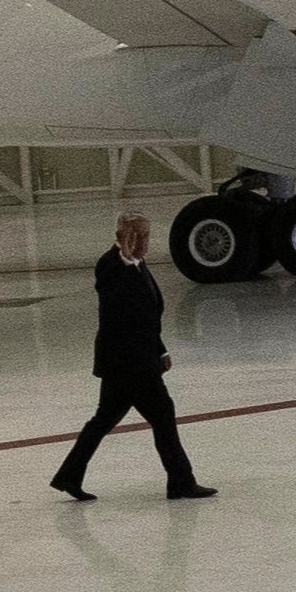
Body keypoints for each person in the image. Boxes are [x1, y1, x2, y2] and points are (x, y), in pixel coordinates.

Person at [50, 215, 216, 501]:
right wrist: (124, 262)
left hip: (132, 360)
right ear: (121, 234)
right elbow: (113, 301)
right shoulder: (111, 265)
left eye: (147, 236)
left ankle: (68, 476)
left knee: (103, 420)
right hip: (129, 363)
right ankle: (181, 481)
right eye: (137, 235)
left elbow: (146, 316)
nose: (144, 242)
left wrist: (160, 349)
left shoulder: (138, 265)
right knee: (163, 415)